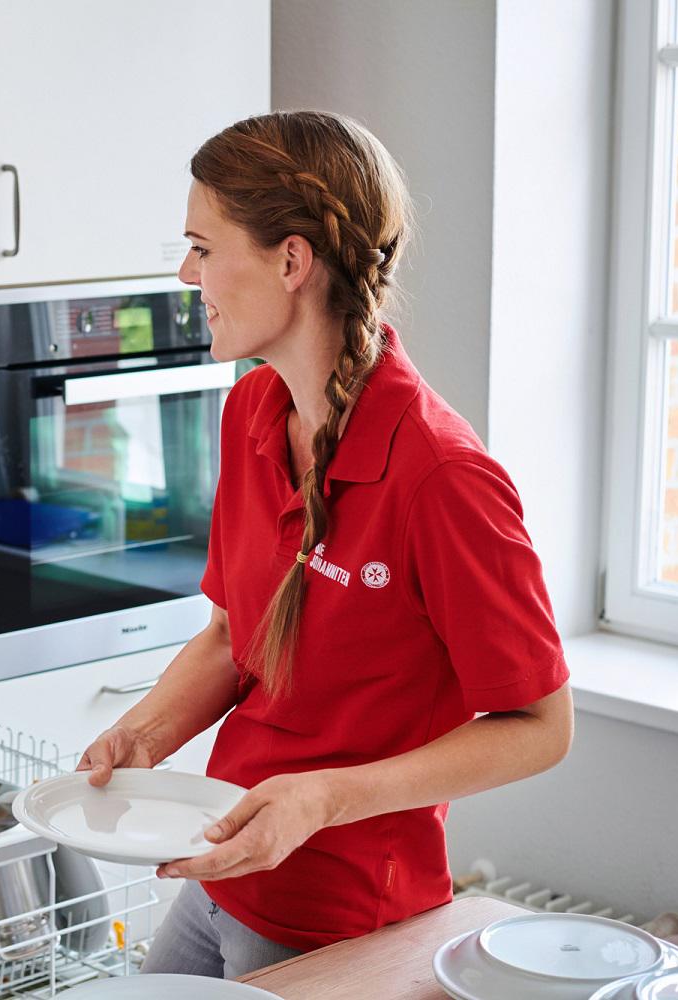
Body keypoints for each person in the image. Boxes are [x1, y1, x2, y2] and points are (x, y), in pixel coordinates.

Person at [77, 111, 574, 979]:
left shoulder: (441, 476)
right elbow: (237, 637)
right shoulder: (252, 413)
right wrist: (141, 735)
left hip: (341, 911)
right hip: (221, 866)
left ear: (292, 261)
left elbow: (541, 726)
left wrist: (326, 796)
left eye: (201, 246)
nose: (187, 273)